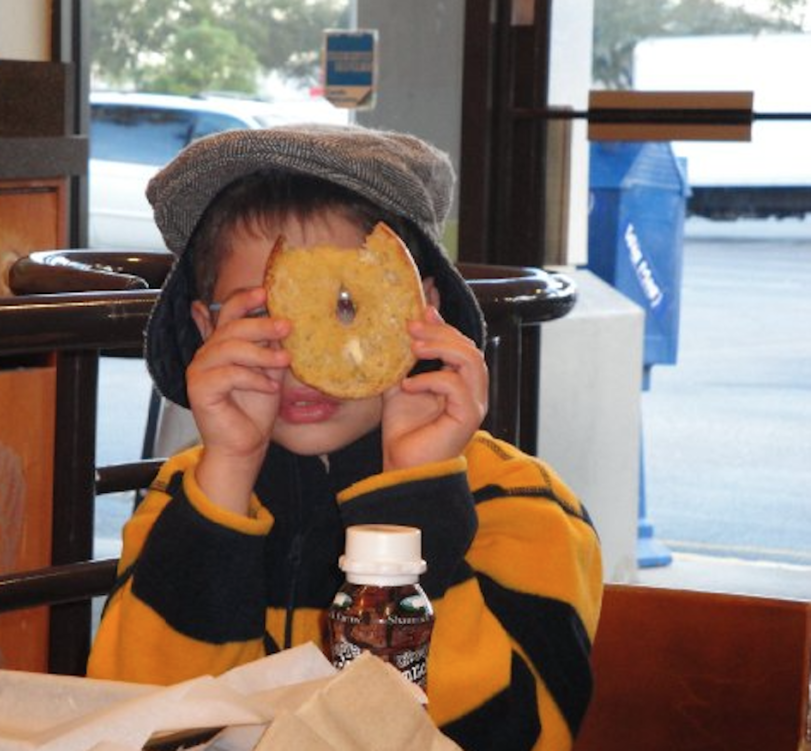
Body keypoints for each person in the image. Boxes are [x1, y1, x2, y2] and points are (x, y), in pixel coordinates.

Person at [87, 123, 603, 750]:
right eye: (260, 316)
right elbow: (140, 724)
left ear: (421, 309)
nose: (302, 358)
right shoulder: (188, 499)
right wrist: (225, 479)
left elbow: (517, 736)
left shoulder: (520, 504)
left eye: (346, 306)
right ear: (204, 329)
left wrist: (411, 506)